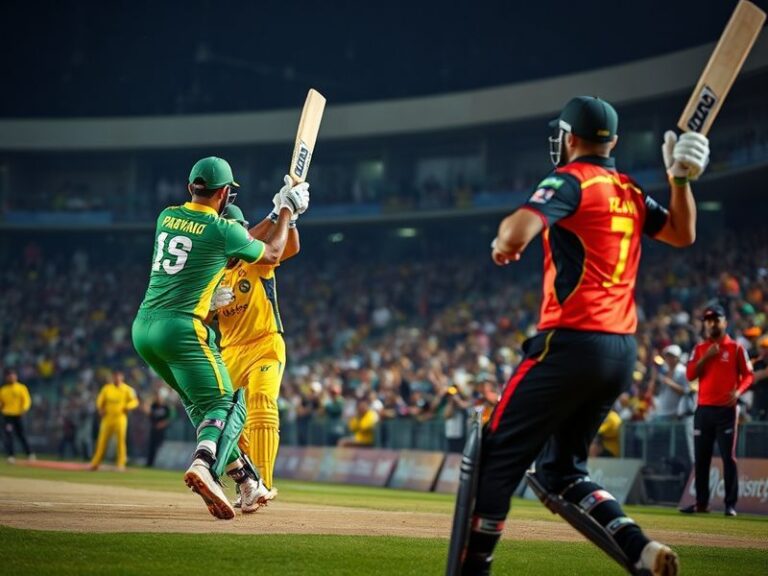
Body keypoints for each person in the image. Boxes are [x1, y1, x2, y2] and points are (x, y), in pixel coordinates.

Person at [458, 96, 708, 576]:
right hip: (619, 352)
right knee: (563, 473)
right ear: (612, 141)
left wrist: (503, 243)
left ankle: (476, 568)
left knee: (494, 460)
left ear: (570, 138)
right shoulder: (630, 189)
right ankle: (638, 548)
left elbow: (515, 234)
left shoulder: (570, 180)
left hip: (568, 342)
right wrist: (680, 182)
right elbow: (682, 233)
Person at [131, 156, 309, 519]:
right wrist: (287, 210)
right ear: (226, 193)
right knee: (227, 407)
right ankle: (205, 466)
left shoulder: (167, 216)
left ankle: (247, 481)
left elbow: (250, 245)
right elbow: (267, 247)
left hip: (144, 329)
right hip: (182, 329)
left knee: (202, 409)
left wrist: (277, 215)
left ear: (190, 188)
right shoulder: (222, 231)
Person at [209, 196, 302, 505]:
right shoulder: (212, 274)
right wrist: (209, 306)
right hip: (231, 352)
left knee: (262, 402)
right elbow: (201, 317)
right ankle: (246, 483)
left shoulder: (256, 262)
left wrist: (291, 217)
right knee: (232, 423)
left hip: (265, 344)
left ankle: (264, 484)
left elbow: (289, 248)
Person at [680, 305, 754, 517]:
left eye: (716, 319)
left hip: (727, 411)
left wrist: (738, 391)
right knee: (701, 459)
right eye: (708, 320)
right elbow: (690, 375)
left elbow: (748, 375)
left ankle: (730, 504)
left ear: (724, 322)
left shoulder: (736, 348)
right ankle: (701, 503)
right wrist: (706, 358)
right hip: (703, 410)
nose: (712, 323)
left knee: (728, 458)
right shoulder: (700, 348)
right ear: (705, 323)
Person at [89, 370, 139, 471]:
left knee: (121, 442)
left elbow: (135, 401)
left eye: (119, 376)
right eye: (115, 376)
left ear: (122, 377)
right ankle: (95, 463)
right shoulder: (107, 388)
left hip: (120, 418)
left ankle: (121, 464)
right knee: (102, 441)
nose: (117, 378)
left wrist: (127, 406)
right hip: (107, 418)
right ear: (113, 377)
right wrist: (100, 409)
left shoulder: (127, 389)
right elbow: (100, 400)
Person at [0, 369, 34, 463]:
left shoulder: (21, 388)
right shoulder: (3, 390)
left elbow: (26, 399)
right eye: (9, 376)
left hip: (18, 415)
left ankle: (29, 454)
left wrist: (25, 408)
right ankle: (11, 455)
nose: (11, 377)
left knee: (22, 435)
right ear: (6, 377)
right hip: (7, 416)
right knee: (9, 436)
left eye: (13, 375)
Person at [145, 385, 175, 467]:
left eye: (160, 397)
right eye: (157, 397)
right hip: (154, 429)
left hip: (163, 430)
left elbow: (169, 418)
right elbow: (149, 414)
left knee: (160, 446)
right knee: (151, 446)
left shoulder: (166, 407)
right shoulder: (153, 405)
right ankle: (149, 463)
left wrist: (162, 424)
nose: (158, 398)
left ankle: (160, 463)